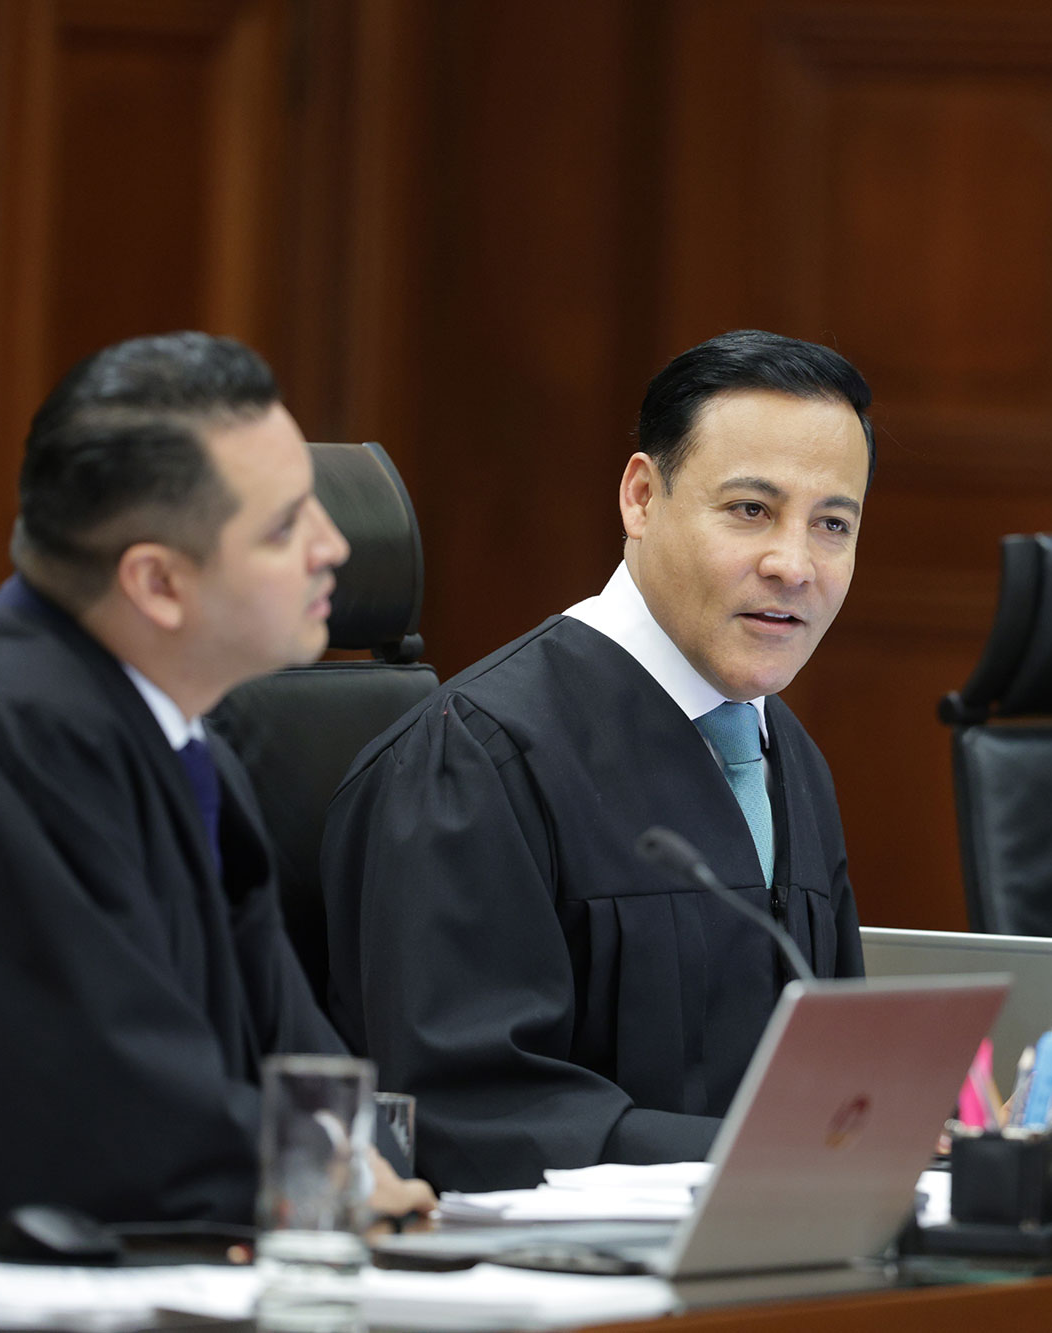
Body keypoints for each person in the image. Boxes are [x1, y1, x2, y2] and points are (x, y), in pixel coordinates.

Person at [0, 332, 433, 1253]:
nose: (336, 546)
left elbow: (296, 1065)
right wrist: (337, 1176)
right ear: (157, 582)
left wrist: (361, 1163)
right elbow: (102, 1132)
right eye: (285, 527)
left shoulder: (180, 737)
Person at [324, 330, 874, 1191]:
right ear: (642, 497)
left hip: (775, 1244)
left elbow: (821, 1072)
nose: (793, 565)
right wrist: (760, 1157)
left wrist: (929, 1121)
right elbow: (469, 1113)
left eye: (832, 524)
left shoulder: (787, 754)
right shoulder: (476, 757)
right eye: (750, 510)